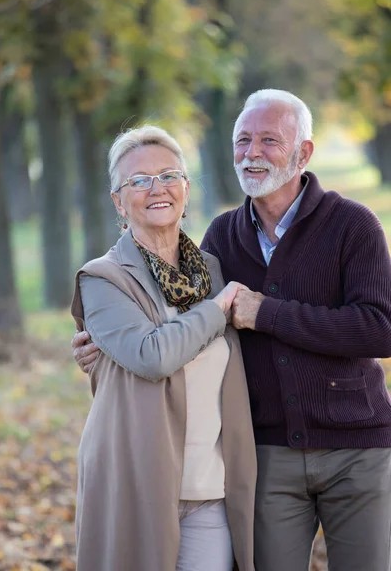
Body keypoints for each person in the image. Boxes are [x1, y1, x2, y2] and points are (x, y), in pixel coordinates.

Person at [74, 89, 391, 570]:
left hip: (356, 448)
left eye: (269, 140)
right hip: (267, 456)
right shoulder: (222, 239)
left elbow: (380, 329)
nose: (252, 152)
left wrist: (267, 313)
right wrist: (102, 346)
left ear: (303, 152)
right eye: (243, 140)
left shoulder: (352, 225)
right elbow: (172, 331)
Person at [70, 125, 256, 571]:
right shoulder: (103, 278)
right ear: (119, 200)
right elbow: (152, 356)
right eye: (139, 180)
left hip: (210, 487)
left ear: (187, 189)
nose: (157, 188)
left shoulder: (210, 268)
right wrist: (217, 310)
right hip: (134, 483)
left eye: (169, 175)